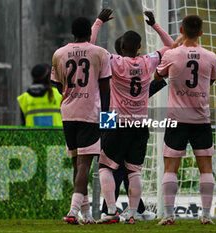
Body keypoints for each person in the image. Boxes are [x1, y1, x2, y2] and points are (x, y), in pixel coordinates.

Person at [91, 9, 173, 224]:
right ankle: (134, 211)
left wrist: (98, 22)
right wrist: (155, 25)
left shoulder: (112, 65)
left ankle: (110, 209)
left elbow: (90, 50)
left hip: (114, 120)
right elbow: (170, 49)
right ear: (138, 48)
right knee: (131, 170)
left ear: (119, 49)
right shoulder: (147, 63)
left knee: (109, 166)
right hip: (138, 122)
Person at [155, 15, 216, 225]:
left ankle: (169, 215)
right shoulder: (211, 56)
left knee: (171, 167)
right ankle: (206, 216)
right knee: (206, 168)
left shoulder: (172, 54)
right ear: (201, 32)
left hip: (176, 119)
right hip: (201, 119)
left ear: (181, 30)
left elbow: (157, 77)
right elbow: (211, 81)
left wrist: (173, 46)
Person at [50, 16, 112, 225]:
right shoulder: (100, 53)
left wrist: (71, 94)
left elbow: (57, 85)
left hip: (68, 113)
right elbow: (105, 89)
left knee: (78, 164)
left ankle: (86, 215)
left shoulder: (59, 53)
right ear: (89, 33)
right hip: (90, 114)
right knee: (85, 164)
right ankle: (73, 210)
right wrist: (108, 120)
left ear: (72, 32)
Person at [100, 35, 164, 221]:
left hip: (109, 115)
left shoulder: (113, 67)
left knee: (120, 165)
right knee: (119, 166)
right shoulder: (117, 67)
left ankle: (133, 208)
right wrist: (158, 82)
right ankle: (111, 209)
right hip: (112, 115)